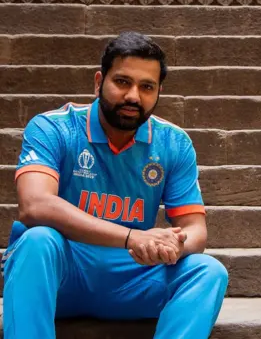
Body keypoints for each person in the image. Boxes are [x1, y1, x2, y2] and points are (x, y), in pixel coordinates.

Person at [2, 32, 228, 338]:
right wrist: (132, 236)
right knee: (37, 240)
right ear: (99, 82)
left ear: (159, 91)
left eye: (146, 87)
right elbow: (34, 205)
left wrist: (175, 244)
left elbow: (196, 231)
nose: (134, 96)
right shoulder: (53, 127)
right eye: (122, 82)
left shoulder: (173, 143)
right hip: (60, 274)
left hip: (131, 275)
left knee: (208, 271)